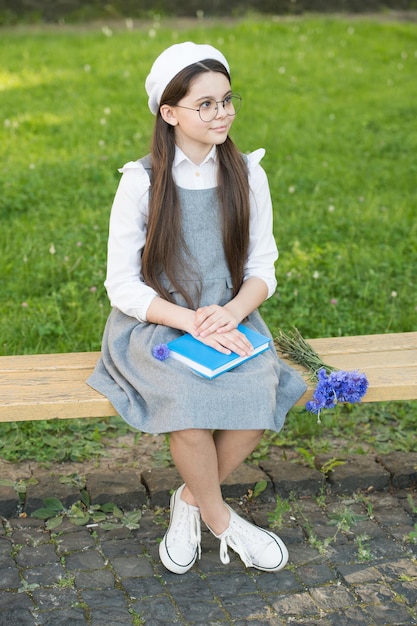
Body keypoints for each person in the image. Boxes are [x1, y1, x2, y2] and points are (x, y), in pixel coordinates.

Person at [88, 41, 307, 575]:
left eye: (226, 99)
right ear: (169, 113)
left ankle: (188, 499)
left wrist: (230, 313)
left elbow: (262, 268)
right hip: (158, 323)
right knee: (186, 402)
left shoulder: (247, 174)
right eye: (204, 104)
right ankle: (220, 518)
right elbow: (122, 286)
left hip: (228, 315)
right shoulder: (141, 181)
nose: (221, 113)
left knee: (261, 396)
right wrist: (189, 320)